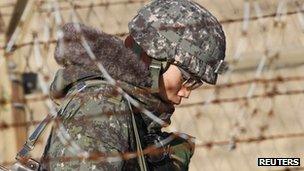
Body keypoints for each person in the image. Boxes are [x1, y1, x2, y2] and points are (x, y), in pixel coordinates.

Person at [39, 0, 227, 170]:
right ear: (157, 57)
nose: (186, 92)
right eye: (187, 79)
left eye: (196, 84)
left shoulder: (130, 107)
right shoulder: (103, 107)